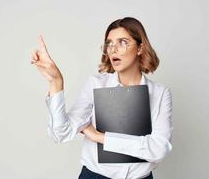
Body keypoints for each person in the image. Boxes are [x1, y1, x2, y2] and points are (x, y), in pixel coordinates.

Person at [30, 17, 173, 179]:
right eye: (109, 44)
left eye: (123, 42)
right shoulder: (95, 85)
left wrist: (100, 137)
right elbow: (61, 133)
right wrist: (56, 82)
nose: (113, 50)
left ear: (140, 48)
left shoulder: (160, 93)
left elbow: (159, 150)